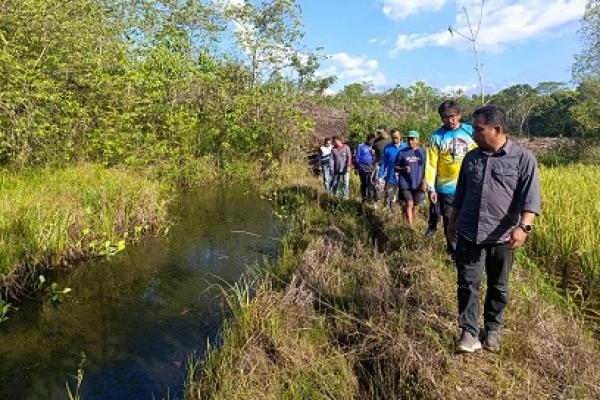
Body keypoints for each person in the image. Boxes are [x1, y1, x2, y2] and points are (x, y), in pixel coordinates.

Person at [447, 105, 541, 353]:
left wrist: (524, 228)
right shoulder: (471, 158)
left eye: (478, 129)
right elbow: (460, 194)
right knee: (468, 283)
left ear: (496, 129)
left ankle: (493, 328)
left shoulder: (523, 158)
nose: (474, 134)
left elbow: (531, 199)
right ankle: (468, 332)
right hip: (468, 231)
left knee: (499, 286)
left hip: (503, 236)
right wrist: (451, 222)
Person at [425, 100, 476, 252]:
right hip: (447, 188)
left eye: (453, 116)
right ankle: (453, 252)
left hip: (471, 186)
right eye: (446, 117)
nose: (450, 120)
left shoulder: (471, 132)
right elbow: (431, 164)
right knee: (450, 219)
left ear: (459, 115)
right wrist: (431, 188)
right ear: (441, 118)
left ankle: (469, 249)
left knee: (470, 219)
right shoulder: (436, 137)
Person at [395, 130, 426, 227]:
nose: (410, 141)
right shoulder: (402, 153)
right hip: (405, 183)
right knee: (409, 203)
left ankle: (413, 223)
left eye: (412, 139)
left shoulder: (422, 152)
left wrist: (424, 181)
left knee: (415, 206)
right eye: (408, 139)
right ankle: (410, 227)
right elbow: (395, 166)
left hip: (417, 183)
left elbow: (427, 168)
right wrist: (403, 168)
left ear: (417, 140)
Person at [377, 129, 408, 211]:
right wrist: (380, 176)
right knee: (391, 199)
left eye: (397, 137)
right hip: (391, 178)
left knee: (404, 200)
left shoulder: (406, 147)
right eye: (393, 138)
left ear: (400, 136)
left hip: (404, 178)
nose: (395, 139)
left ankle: (403, 219)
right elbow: (383, 163)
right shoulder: (387, 148)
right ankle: (391, 216)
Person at [355, 133, 376, 202]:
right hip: (362, 168)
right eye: (370, 140)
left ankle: (370, 198)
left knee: (370, 184)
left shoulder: (372, 147)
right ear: (367, 139)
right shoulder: (361, 146)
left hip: (370, 169)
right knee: (364, 183)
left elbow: (374, 159)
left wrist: (373, 155)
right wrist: (357, 168)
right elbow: (357, 157)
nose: (371, 142)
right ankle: (364, 198)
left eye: (373, 140)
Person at [372, 124, 391, 202]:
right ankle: (377, 202)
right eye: (378, 132)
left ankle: (387, 204)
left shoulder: (391, 140)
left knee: (389, 187)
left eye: (380, 132)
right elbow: (373, 152)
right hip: (379, 166)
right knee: (378, 186)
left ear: (385, 131)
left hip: (390, 166)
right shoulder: (376, 141)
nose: (379, 134)